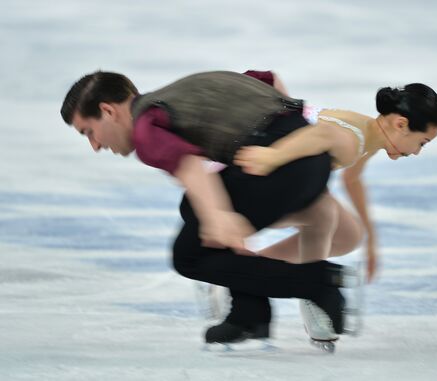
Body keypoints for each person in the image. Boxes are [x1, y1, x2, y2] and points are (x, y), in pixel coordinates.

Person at [60, 69, 351, 344]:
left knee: (189, 256)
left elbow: (190, 168)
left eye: (89, 132)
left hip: (281, 165)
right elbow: (268, 80)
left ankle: (320, 281)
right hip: (313, 157)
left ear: (108, 111)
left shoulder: (145, 128)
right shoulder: (177, 95)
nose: (95, 145)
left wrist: (218, 216)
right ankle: (249, 311)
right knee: (194, 207)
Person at [235, 83, 437, 285]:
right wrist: (273, 156)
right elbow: (323, 135)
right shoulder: (353, 142)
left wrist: (371, 238)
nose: (417, 152)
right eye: (422, 142)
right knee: (323, 215)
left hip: (275, 173)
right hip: (247, 170)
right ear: (401, 124)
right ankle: (312, 293)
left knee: (348, 235)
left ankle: (250, 269)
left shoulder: (370, 133)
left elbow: (351, 178)